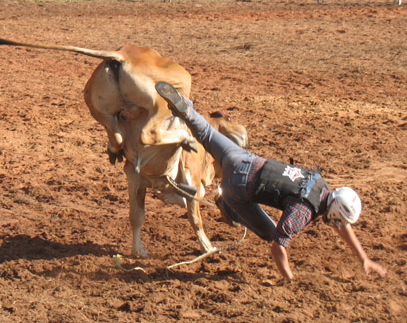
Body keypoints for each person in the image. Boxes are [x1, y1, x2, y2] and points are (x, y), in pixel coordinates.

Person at [154, 81, 387, 284]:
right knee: (270, 233)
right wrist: (289, 279)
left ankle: (187, 108)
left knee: (204, 132)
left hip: (246, 159)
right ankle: (226, 205)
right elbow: (278, 247)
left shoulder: (321, 184)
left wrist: (364, 258)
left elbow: (341, 223)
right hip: (239, 188)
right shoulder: (303, 211)